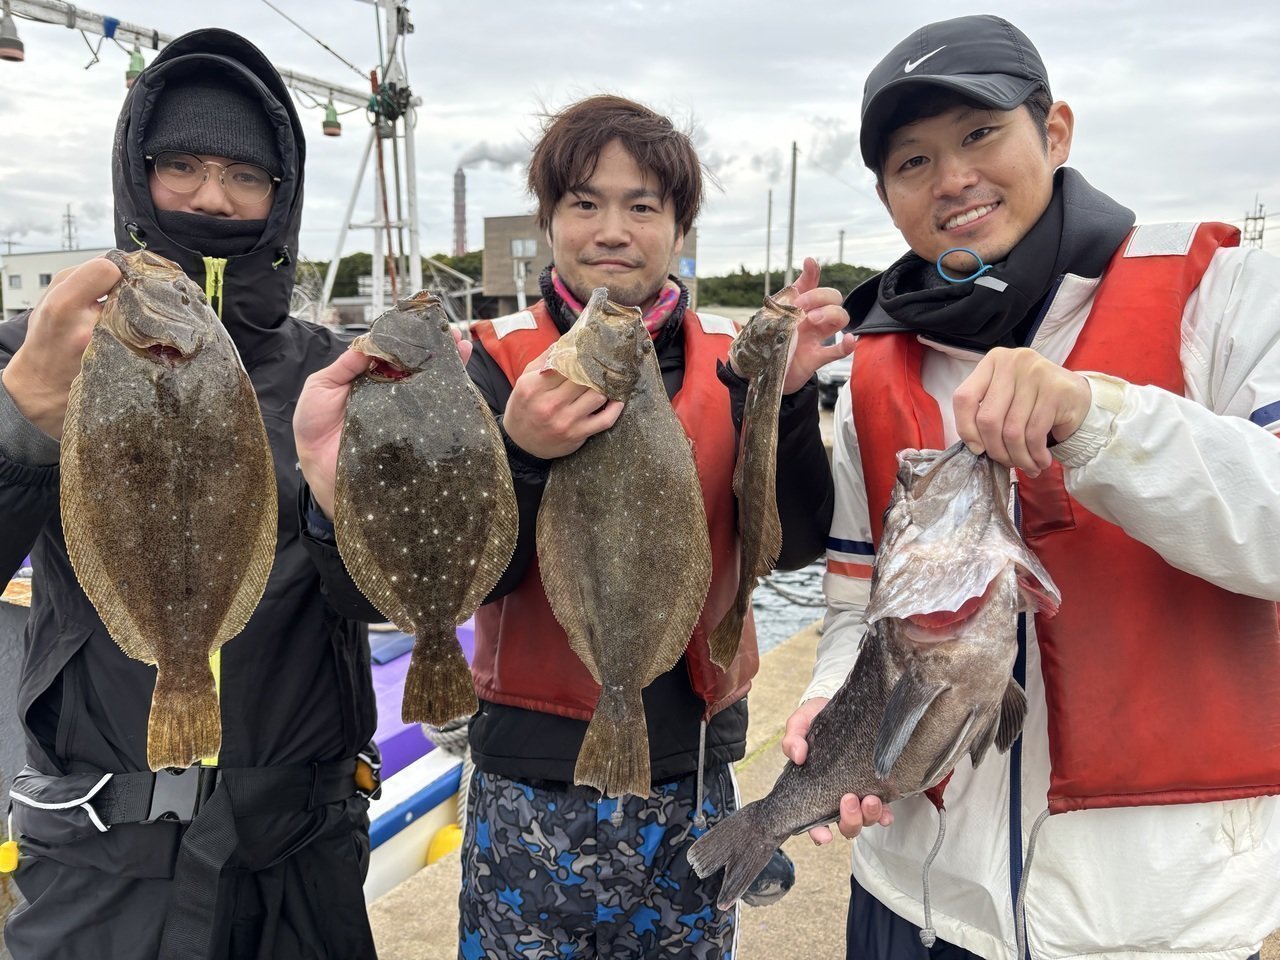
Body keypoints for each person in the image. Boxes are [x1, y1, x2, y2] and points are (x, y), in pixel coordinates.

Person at [293, 92, 849, 957]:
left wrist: (787, 400)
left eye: (643, 207)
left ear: (679, 227)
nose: (612, 230)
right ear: (549, 219)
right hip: (529, 772)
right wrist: (517, 453)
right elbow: (445, 577)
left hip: (692, 770)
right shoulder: (479, 364)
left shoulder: (736, 362)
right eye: (585, 203)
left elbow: (799, 545)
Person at [781, 13, 1280, 960]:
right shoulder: (875, 366)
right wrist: (831, 705)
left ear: (1054, 133)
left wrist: (1100, 420)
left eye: (980, 133)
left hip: (1153, 924)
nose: (953, 178)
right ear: (887, 196)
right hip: (910, 898)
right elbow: (854, 610)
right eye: (913, 161)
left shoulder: (1221, 291)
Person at [0, 29, 383, 960]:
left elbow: (379, 603)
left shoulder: (334, 372)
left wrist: (340, 511)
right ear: (137, 176)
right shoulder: (37, 347)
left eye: (245, 175)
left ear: (281, 195)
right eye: (182, 166)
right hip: (98, 859)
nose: (213, 196)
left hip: (300, 850)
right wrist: (23, 428)